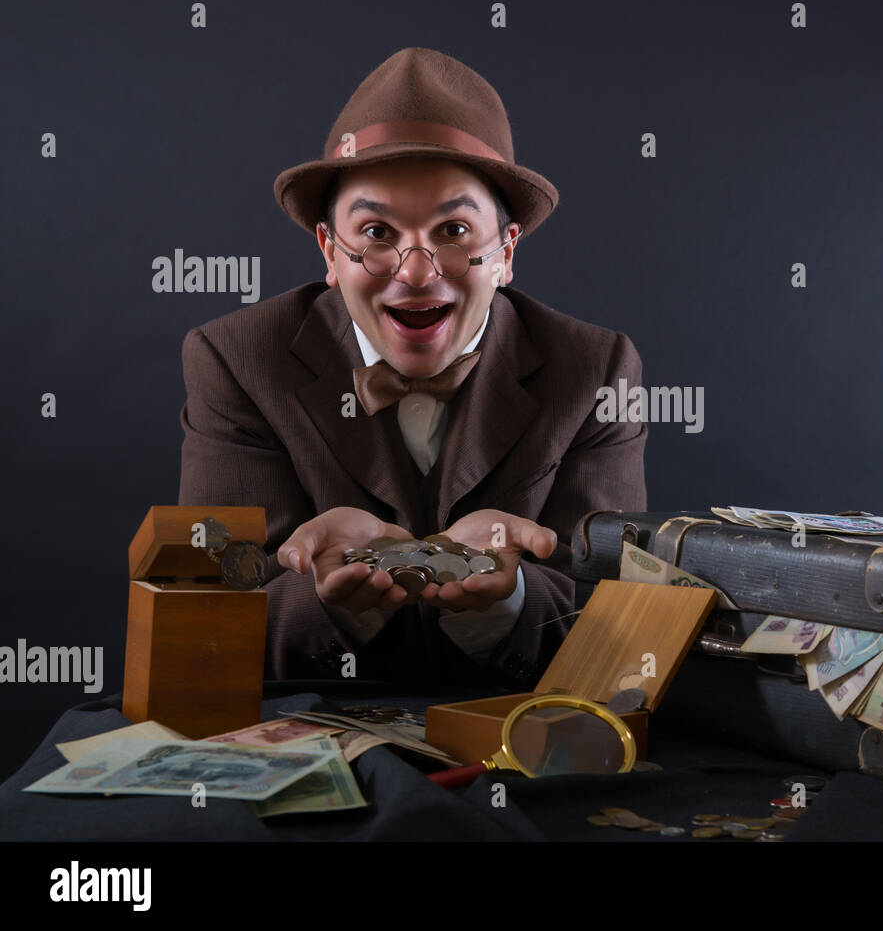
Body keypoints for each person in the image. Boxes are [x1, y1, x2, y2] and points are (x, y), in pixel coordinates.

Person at [178, 48, 647, 688]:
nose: (417, 273)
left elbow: (623, 631)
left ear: (506, 252)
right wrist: (327, 602)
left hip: (519, 748)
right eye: (375, 232)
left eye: (454, 230)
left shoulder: (597, 370)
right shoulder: (235, 359)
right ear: (329, 250)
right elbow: (208, 626)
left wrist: (507, 604)